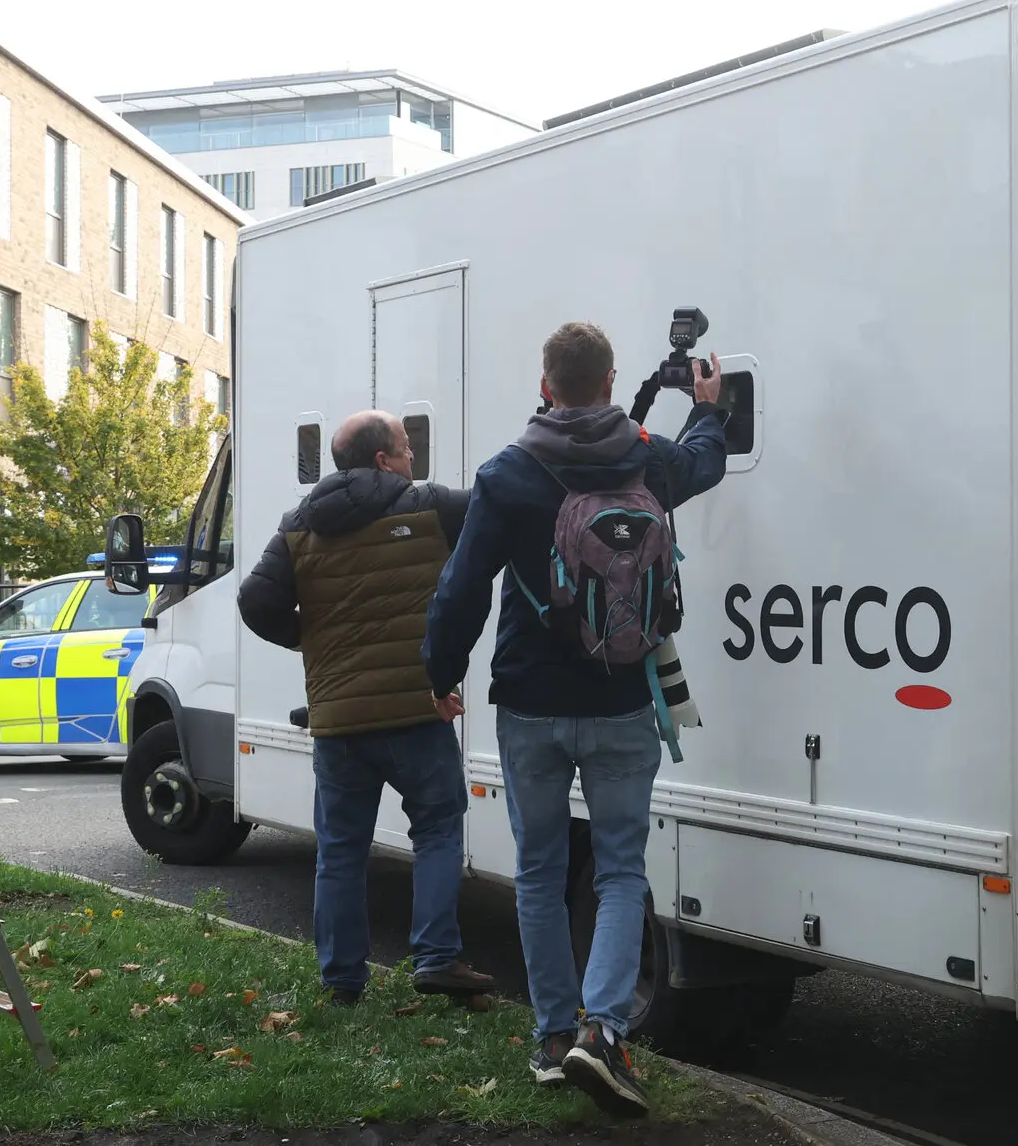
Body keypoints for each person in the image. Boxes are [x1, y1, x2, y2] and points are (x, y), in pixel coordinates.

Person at [424, 321, 727, 1116]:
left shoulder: (509, 472)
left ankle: (555, 1038)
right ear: (612, 377)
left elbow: (461, 591)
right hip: (626, 698)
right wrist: (709, 406)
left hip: (529, 702)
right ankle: (606, 1032)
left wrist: (440, 674)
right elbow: (704, 461)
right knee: (621, 868)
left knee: (539, 870)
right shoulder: (648, 458)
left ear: (546, 383)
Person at [237, 409, 495, 1007]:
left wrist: (308, 638)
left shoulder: (298, 522)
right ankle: (435, 958)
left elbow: (255, 599)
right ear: (383, 459)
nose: (412, 460)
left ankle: (342, 980)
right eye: (406, 449)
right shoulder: (430, 504)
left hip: (339, 721)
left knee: (341, 850)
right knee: (436, 829)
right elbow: (494, 508)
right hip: (415, 712)